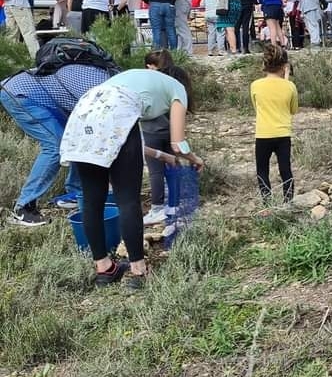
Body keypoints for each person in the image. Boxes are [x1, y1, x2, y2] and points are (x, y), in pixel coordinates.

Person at [60, 64, 204, 288]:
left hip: (82, 116)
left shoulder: (135, 81)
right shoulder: (177, 89)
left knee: (92, 201)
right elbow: (178, 144)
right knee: (127, 200)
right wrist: (195, 159)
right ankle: (138, 270)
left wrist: (162, 156)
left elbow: (116, 139)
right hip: (115, 117)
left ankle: (104, 269)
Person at [1, 55, 115, 226]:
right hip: (22, 95)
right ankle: (24, 207)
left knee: (79, 137)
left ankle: (75, 194)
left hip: (37, 94)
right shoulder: (103, 88)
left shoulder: (104, 77)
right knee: (55, 146)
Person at [140, 49, 184, 226]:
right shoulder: (174, 81)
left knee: (155, 172)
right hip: (172, 130)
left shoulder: (146, 82)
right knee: (173, 167)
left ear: (151, 66)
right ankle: (174, 204)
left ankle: (157, 208)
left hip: (152, 131)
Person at [251, 44, 298, 204]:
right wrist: (286, 80)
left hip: (263, 133)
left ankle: (267, 203)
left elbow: (255, 107)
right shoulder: (290, 86)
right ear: (285, 66)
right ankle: (288, 202)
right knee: (285, 170)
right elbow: (293, 109)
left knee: (262, 170)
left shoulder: (255, 85)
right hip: (283, 134)